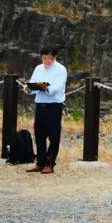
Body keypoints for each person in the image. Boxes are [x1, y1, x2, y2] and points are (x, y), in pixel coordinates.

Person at [26, 44, 67, 173]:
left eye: (49, 58)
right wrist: (29, 89)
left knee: (54, 136)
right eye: (44, 58)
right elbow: (32, 84)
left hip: (54, 106)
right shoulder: (38, 68)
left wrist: (45, 87)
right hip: (40, 105)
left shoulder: (61, 69)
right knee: (39, 134)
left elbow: (56, 88)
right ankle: (40, 162)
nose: (46, 61)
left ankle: (50, 163)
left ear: (54, 57)